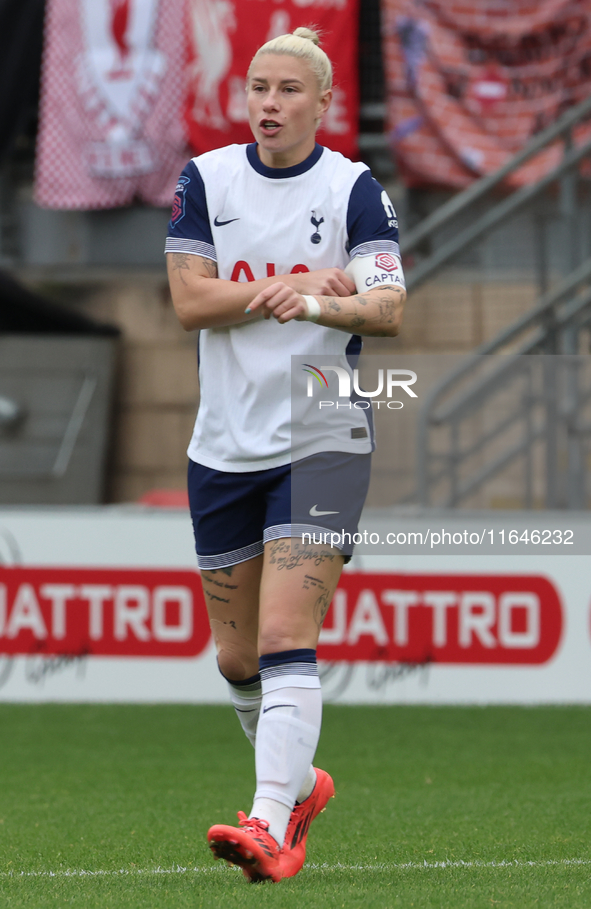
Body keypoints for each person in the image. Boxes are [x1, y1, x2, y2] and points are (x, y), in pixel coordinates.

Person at [165, 27, 406, 883]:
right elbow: (190, 302)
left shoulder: (352, 188)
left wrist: (310, 298)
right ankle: (300, 787)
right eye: (257, 88)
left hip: (322, 432)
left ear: (323, 102)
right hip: (223, 442)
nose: (268, 103)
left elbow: (385, 308)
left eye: (287, 90)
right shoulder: (207, 178)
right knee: (236, 661)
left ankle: (269, 822)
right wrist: (301, 287)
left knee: (280, 633)